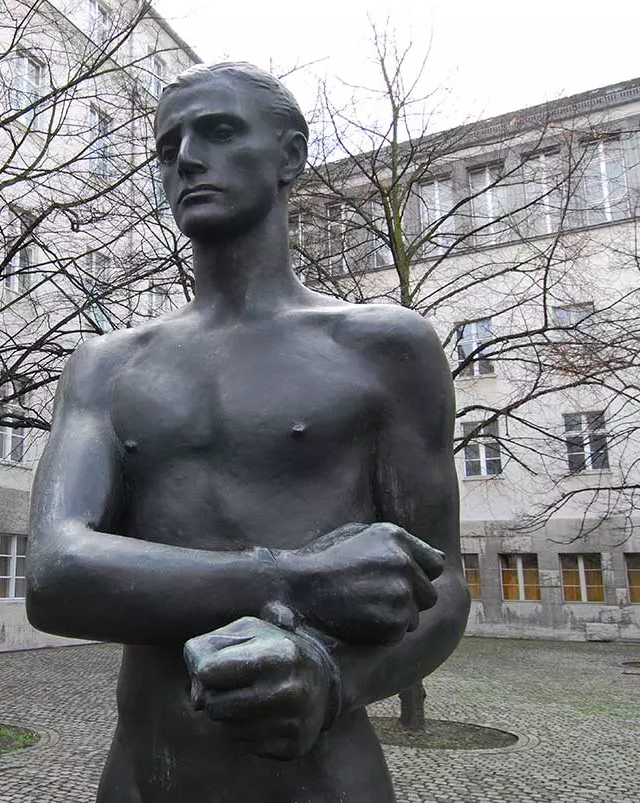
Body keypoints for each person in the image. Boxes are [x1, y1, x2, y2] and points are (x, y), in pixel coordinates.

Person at [26, 62, 469, 803]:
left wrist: (331, 678)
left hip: (321, 780)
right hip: (146, 774)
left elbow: (444, 585)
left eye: (220, 131)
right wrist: (290, 578)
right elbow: (53, 572)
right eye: (168, 149)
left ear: (290, 154)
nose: (188, 158)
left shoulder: (384, 346)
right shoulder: (105, 366)